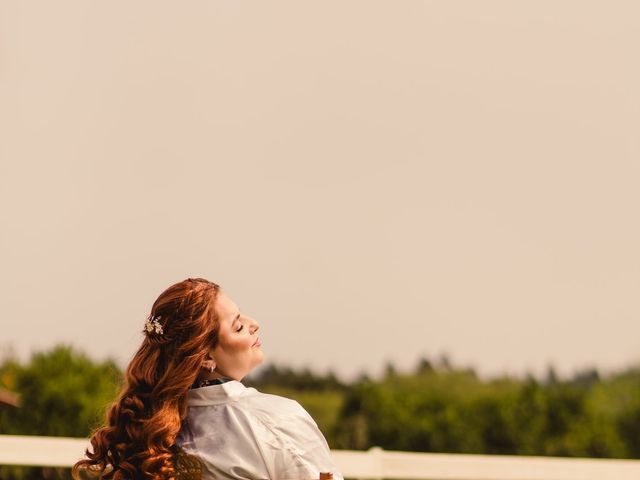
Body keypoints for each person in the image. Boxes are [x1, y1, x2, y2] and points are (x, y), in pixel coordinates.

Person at [73, 277, 342, 480]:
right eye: (237, 326)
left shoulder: (150, 434)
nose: (254, 323)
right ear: (204, 358)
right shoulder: (274, 421)